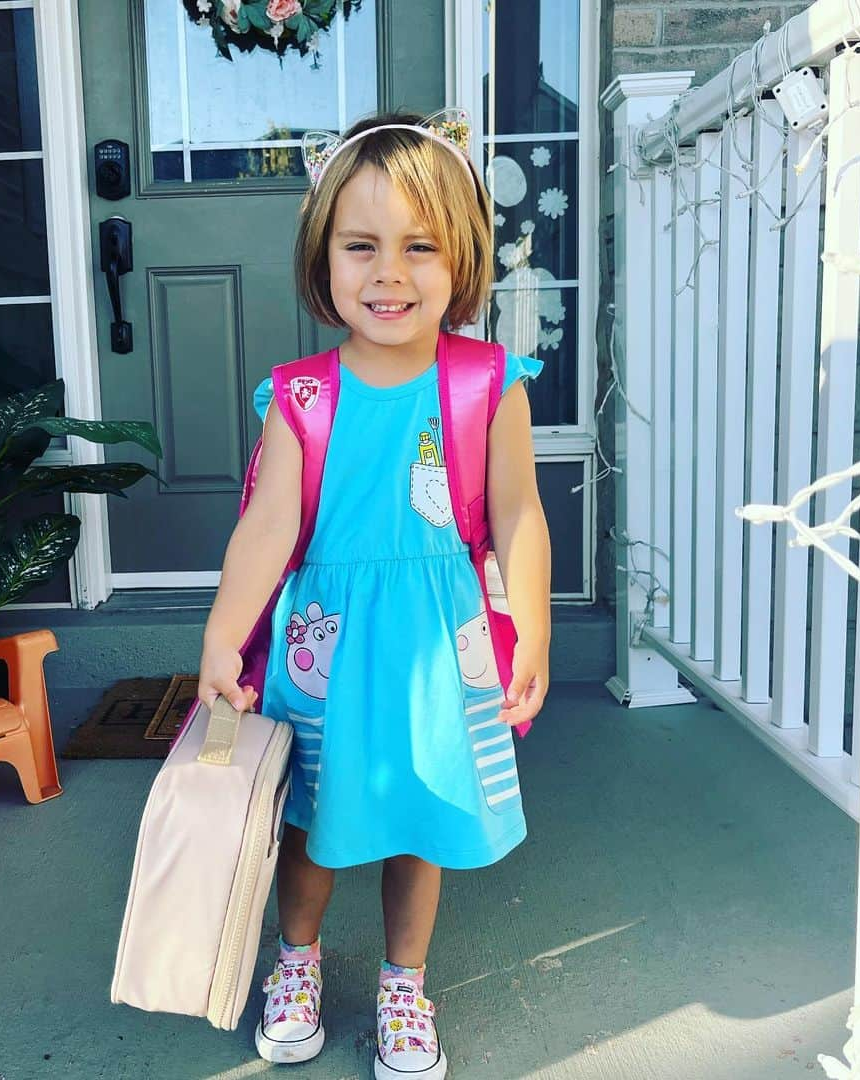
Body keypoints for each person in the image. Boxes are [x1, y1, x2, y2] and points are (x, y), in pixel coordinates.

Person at [198, 108, 552, 1079]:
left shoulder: (487, 385)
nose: (389, 272)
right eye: (362, 246)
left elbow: (518, 513)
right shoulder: (301, 397)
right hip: (327, 649)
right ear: (324, 257)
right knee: (312, 822)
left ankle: (405, 984)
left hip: (440, 645)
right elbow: (267, 528)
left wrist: (538, 633)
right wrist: (225, 637)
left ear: (461, 259)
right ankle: (298, 963)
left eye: (419, 247)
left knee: (420, 820)